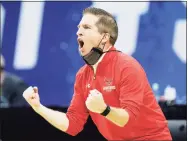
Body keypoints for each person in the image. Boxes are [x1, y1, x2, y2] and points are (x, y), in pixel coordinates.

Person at [22, 7, 172, 140]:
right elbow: (72, 125)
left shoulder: (127, 66)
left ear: (105, 38)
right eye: (79, 27)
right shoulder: (82, 75)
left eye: (86, 27)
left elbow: (128, 119)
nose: (78, 32)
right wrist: (38, 107)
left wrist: (103, 109)